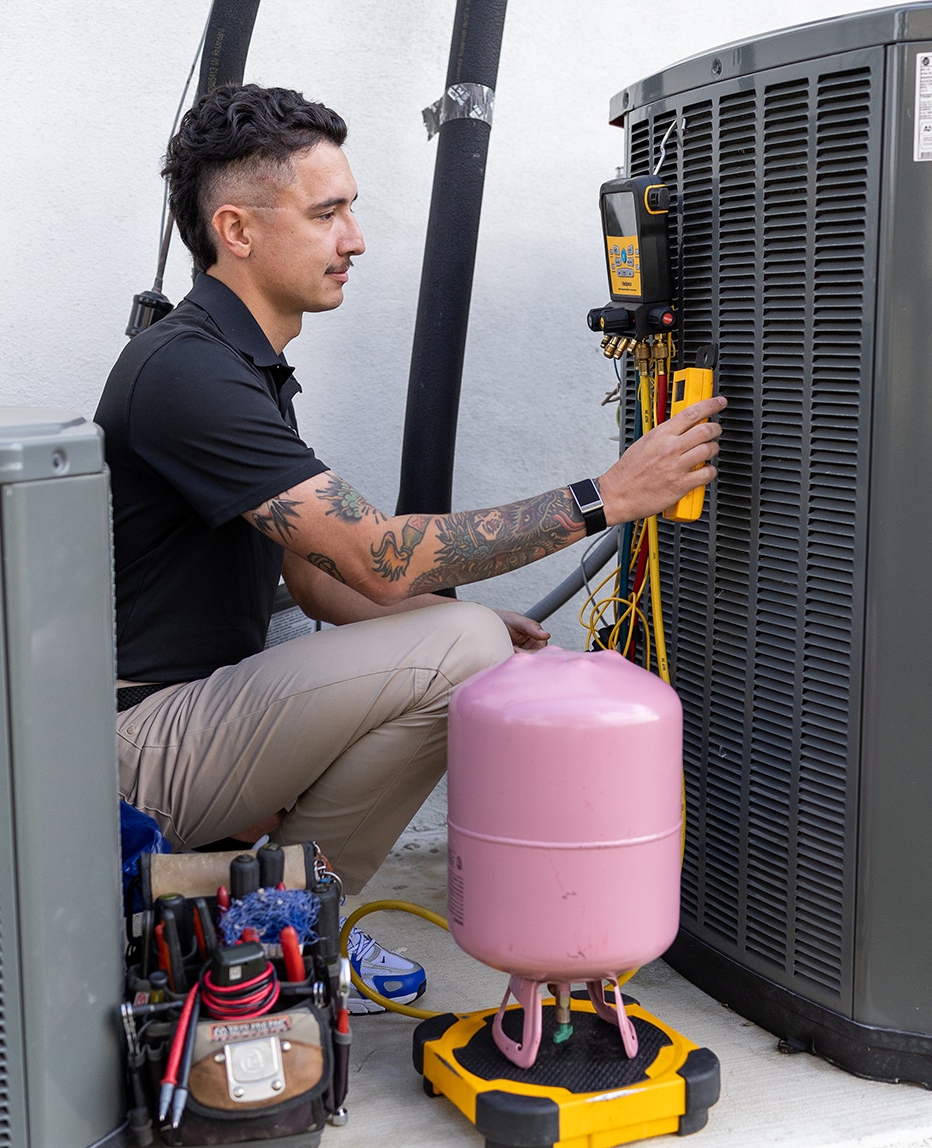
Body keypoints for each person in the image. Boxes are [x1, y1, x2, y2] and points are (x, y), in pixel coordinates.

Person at [95, 83, 724, 1010]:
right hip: (134, 751)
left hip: (187, 722)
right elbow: (373, 553)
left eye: (352, 208)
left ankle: (272, 922)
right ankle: (270, 930)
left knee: (467, 644)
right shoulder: (188, 372)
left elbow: (314, 576)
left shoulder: (245, 364)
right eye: (327, 213)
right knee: (460, 648)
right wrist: (609, 498)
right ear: (236, 228)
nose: (354, 239)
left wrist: (440, 624)